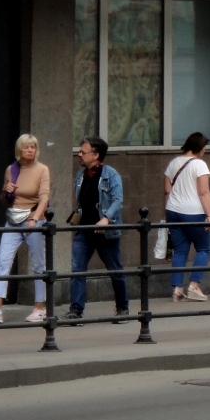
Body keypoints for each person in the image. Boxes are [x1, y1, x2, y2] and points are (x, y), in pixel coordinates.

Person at [0, 135, 51, 324]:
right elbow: (4, 199)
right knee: (3, 260)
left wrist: (35, 218)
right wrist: (7, 191)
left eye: (33, 147)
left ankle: (40, 307)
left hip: (34, 219)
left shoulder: (42, 170)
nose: (30, 150)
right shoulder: (12, 169)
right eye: (26, 147)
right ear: (19, 150)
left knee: (39, 265)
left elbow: (44, 197)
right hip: (14, 220)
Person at [67, 136, 129, 324]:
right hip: (84, 230)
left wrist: (106, 219)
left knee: (115, 269)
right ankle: (76, 311)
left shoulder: (111, 174)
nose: (79, 154)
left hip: (105, 232)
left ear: (95, 155)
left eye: (83, 152)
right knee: (77, 270)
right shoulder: (81, 175)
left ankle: (123, 308)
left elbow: (118, 200)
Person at [164, 132, 210, 302]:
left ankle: (177, 289)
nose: (205, 150)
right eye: (204, 147)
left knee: (180, 250)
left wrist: (170, 209)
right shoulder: (199, 165)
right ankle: (194, 286)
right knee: (204, 248)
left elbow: (167, 191)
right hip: (193, 212)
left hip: (173, 211)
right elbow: (203, 191)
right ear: (199, 148)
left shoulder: (173, 163)